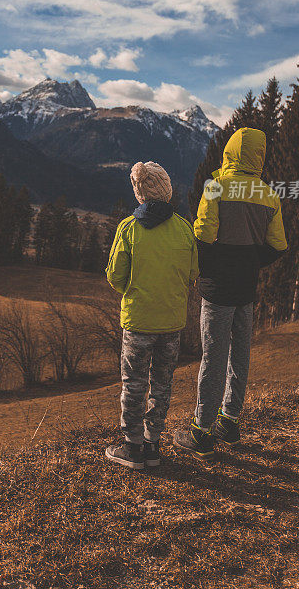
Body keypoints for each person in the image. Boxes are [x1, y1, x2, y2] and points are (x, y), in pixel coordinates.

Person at [173, 127, 288, 461]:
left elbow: (203, 236)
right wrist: (250, 262)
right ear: (258, 155)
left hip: (218, 289)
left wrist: (205, 271)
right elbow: (279, 245)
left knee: (213, 357)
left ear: (231, 151)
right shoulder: (269, 194)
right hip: (246, 289)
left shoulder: (217, 187)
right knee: (240, 355)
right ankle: (230, 422)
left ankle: (201, 432)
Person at [105, 161, 198, 470]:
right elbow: (193, 273)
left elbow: (115, 277)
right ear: (167, 190)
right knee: (162, 384)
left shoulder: (128, 228)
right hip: (172, 322)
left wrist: (133, 289)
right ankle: (152, 445)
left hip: (138, 320)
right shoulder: (184, 228)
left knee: (133, 383)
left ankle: (131, 447)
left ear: (139, 192)